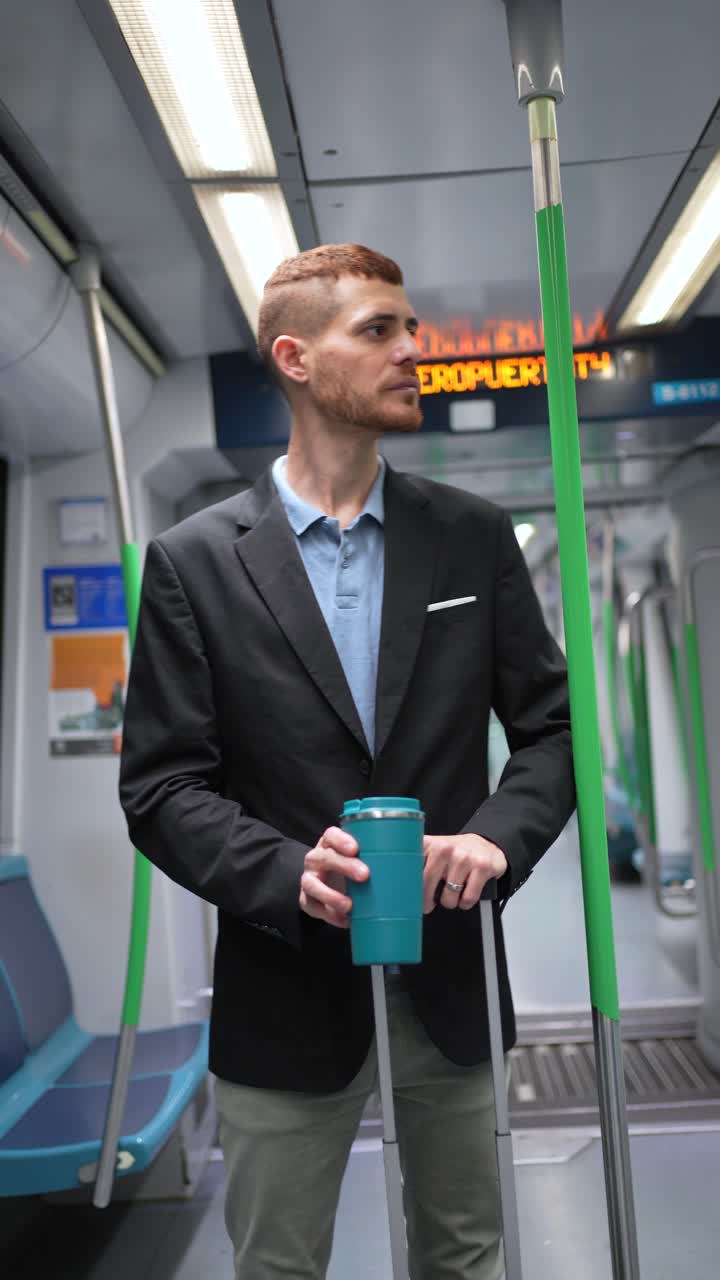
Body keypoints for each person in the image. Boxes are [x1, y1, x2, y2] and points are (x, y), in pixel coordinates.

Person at [119, 243, 576, 1279]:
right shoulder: (195, 563)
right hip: (286, 989)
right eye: (378, 330)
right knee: (278, 1265)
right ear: (296, 358)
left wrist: (496, 840)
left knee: (466, 1256)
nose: (413, 349)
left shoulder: (471, 539)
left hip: (450, 975)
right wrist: (288, 872)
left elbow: (550, 730)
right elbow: (163, 786)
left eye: (411, 327)